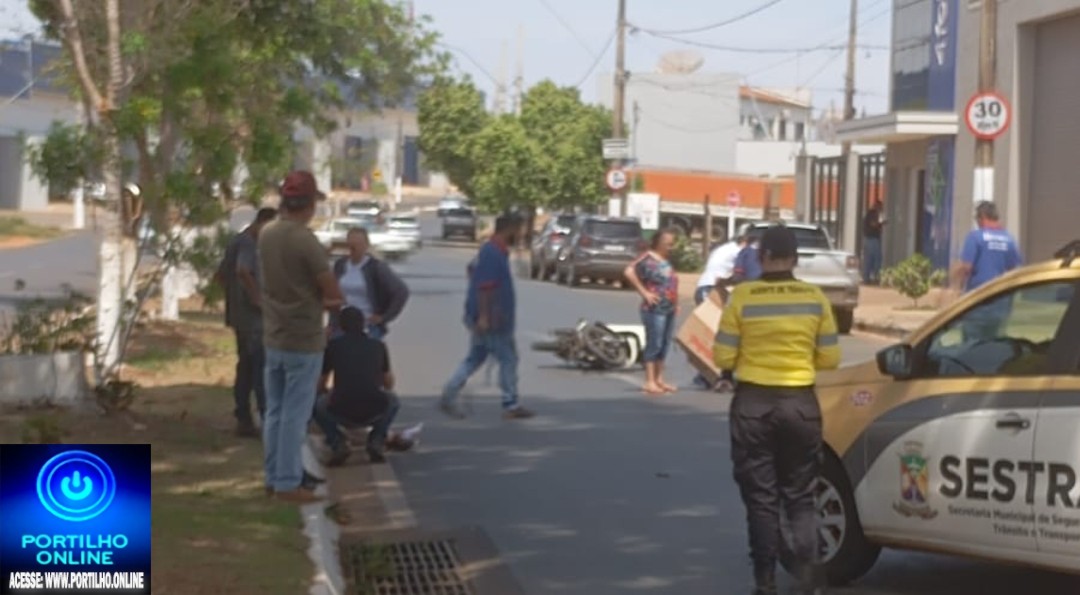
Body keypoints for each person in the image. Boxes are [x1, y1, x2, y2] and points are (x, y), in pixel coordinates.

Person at [713, 225, 841, 595]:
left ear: (761, 256)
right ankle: (809, 581)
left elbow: (723, 355)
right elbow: (830, 358)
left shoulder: (743, 298)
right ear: (796, 259)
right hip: (800, 404)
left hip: (753, 405)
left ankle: (765, 582)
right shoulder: (815, 298)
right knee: (800, 496)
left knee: (761, 500)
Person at [258, 171, 344, 504]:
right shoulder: (305, 240)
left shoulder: (267, 233)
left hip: (274, 334)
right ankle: (288, 483)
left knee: (275, 413)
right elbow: (332, 292)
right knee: (296, 415)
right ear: (307, 204)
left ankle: (274, 476)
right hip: (304, 339)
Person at [440, 215, 535, 420]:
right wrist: (483, 316)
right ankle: (511, 404)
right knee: (508, 359)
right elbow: (486, 287)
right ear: (509, 229)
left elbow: (472, 270)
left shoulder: (492, 250)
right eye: (519, 230)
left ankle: (448, 395)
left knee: (475, 358)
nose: (521, 235)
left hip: (491, 316)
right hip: (493, 319)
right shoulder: (492, 252)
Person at [314, 307, 406, 465]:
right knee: (394, 401)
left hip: (341, 409)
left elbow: (320, 384)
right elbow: (388, 383)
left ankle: (337, 442)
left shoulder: (333, 347)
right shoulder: (378, 346)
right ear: (363, 324)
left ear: (341, 326)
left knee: (316, 405)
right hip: (374, 409)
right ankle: (376, 439)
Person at [216, 207, 278, 438]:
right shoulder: (249, 244)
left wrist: (234, 299)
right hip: (253, 319)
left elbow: (221, 276)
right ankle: (263, 417)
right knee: (259, 367)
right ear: (262, 223)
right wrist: (255, 298)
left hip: (240, 317)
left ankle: (244, 417)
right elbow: (243, 270)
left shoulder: (237, 241)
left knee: (246, 367)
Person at [950, 201, 1023, 341]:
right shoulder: (1009, 239)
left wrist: (954, 284)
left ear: (982, 217)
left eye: (977, 219)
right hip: (1001, 302)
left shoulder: (975, 237)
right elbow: (1015, 269)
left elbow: (966, 267)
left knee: (971, 345)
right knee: (993, 344)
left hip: (978, 300)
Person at [623, 228, 680, 395]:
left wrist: (675, 303)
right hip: (653, 308)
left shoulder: (665, 260)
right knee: (654, 343)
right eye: (666, 243)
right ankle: (649, 381)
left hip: (668, 307)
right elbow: (628, 271)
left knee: (664, 343)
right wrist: (644, 292)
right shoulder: (647, 258)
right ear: (658, 242)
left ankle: (659, 379)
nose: (670, 246)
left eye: (671, 243)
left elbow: (670, 283)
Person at [329, 227, 409, 341]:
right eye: (351, 244)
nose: (354, 248)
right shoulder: (340, 265)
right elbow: (333, 294)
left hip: (368, 325)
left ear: (366, 245)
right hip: (342, 326)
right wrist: (331, 324)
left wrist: (384, 317)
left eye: (358, 244)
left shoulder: (376, 267)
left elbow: (401, 291)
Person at [862, 199, 886, 285]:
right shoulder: (872, 213)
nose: (881, 209)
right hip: (872, 240)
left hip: (869, 240)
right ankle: (875, 277)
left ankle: (867, 278)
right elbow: (873, 224)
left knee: (869, 259)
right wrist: (881, 223)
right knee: (876, 259)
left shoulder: (872, 213)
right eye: (880, 207)